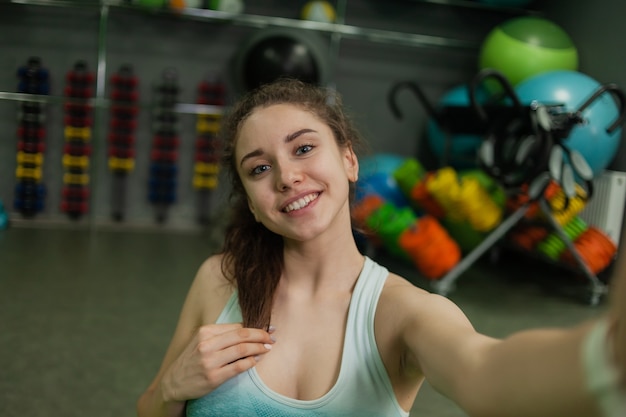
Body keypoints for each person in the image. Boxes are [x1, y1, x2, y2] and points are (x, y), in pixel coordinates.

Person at [137, 78, 625, 417]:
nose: (287, 177)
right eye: (259, 168)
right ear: (249, 198)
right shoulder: (219, 278)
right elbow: (152, 407)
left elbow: (486, 377)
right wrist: (174, 388)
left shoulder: (402, 313)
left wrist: (606, 356)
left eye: (304, 148)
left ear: (349, 160)